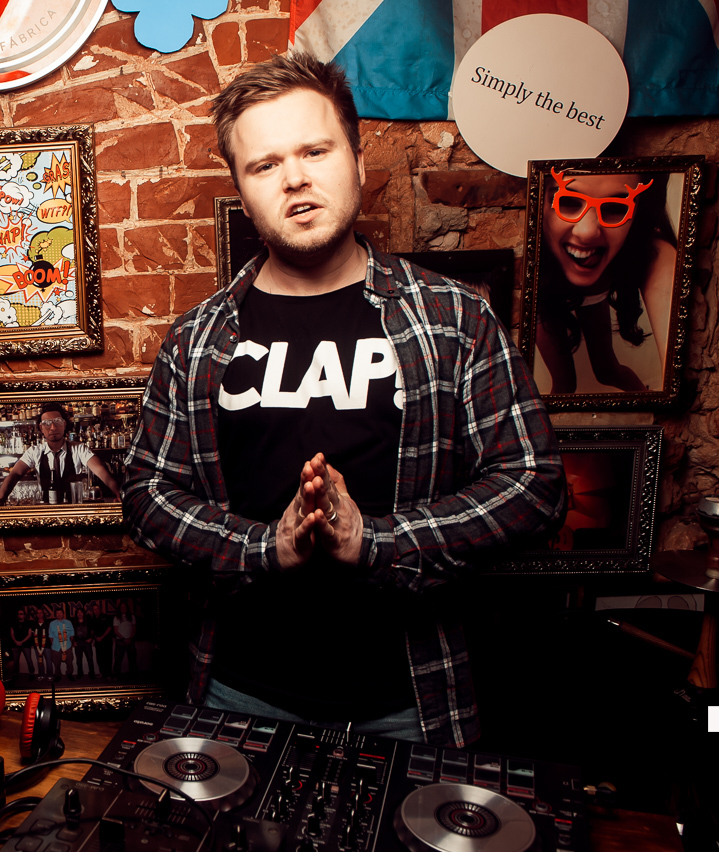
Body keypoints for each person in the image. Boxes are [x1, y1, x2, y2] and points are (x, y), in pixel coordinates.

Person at [122, 53, 566, 748]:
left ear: (357, 162)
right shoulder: (198, 338)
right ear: (242, 190)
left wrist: (374, 543)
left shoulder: (454, 317)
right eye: (265, 164)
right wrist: (265, 548)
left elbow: (534, 486)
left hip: (411, 699)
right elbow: (147, 493)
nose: (294, 178)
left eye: (315, 151)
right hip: (239, 692)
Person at [534, 168, 677, 394]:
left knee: (608, 370)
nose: (588, 232)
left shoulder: (648, 247)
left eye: (615, 207)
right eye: (568, 201)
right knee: (564, 383)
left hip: (592, 295)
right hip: (545, 301)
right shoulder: (530, 255)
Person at [0, 403, 121, 505]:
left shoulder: (79, 449)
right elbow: (14, 474)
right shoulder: (34, 451)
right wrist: (1, 498)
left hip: (74, 509)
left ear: (64, 424)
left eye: (57, 422)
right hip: (46, 510)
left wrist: (118, 494)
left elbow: (101, 471)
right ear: (41, 428)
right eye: (47, 423)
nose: (53, 427)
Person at [47, 606, 76, 681]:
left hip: (67, 646)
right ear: (55, 614)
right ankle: (58, 675)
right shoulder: (52, 623)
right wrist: (53, 644)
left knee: (69, 662)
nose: (59, 614)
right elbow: (51, 636)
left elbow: (72, 634)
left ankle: (69, 674)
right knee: (56, 663)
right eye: (57, 613)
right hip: (56, 647)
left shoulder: (68, 622)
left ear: (63, 614)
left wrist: (70, 643)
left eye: (60, 613)